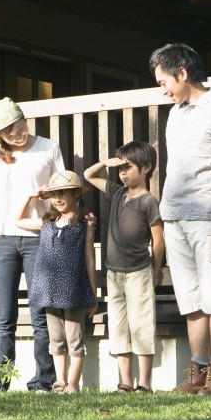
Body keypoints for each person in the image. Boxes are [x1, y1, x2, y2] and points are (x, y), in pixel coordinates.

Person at [149, 43, 211, 396]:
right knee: (190, 299)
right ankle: (198, 372)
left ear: (183, 73)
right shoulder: (176, 113)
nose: (163, 89)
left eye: (164, 81)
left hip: (208, 216)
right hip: (173, 216)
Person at [0, 97, 64, 392]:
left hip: (37, 238)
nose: (16, 135)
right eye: (8, 133)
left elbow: (62, 191)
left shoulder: (49, 147)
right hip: (3, 240)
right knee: (5, 317)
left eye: (18, 127)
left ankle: (43, 381)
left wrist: (48, 197)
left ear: (24, 119)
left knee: (40, 313)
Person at [84, 141, 164, 394]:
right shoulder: (117, 193)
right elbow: (88, 175)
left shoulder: (148, 201)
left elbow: (158, 240)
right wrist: (106, 163)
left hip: (139, 272)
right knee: (119, 327)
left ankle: (145, 383)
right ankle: (126, 382)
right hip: (113, 273)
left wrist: (154, 270)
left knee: (141, 326)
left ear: (146, 168)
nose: (123, 173)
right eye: (121, 168)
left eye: (129, 167)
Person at [16, 170, 97, 395]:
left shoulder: (85, 222)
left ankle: (73, 384)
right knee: (57, 339)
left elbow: (90, 257)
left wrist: (93, 291)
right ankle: (60, 382)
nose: (58, 199)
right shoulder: (47, 222)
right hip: (49, 290)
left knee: (75, 339)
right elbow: (18, 221)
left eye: (64, 193)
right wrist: (31, 196)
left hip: (73, 290)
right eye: (54, 195)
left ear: (76, 195)